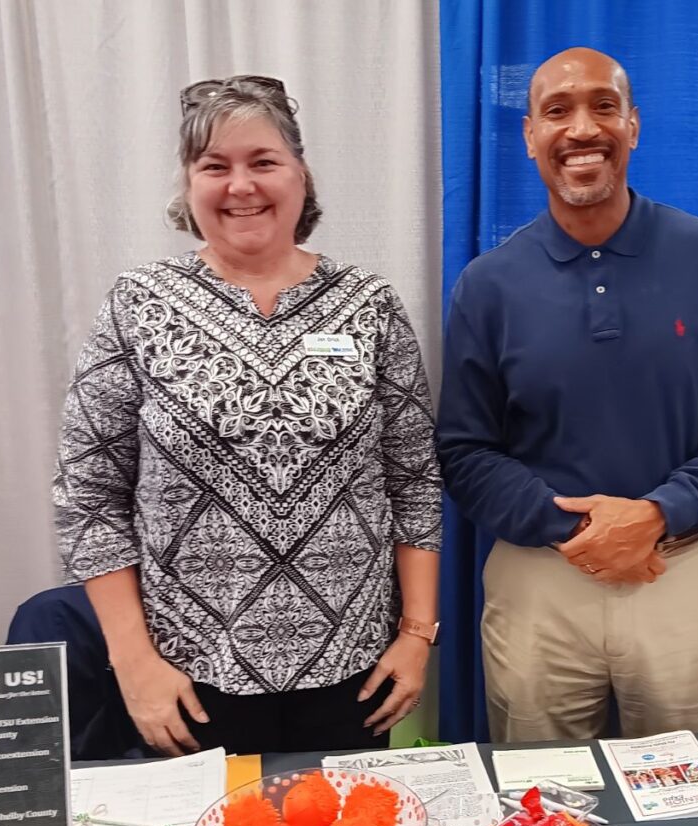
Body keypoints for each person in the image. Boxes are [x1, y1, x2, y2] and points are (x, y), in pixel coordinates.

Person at [54, 75, 441, 756]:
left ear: (301, 175)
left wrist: (415, 636)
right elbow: (88, 496)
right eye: (214, 166)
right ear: (187, 182)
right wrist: (133, 662)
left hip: (353, 677)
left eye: (263, 161)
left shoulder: (369, 304)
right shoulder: (138, 304)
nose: (241, 186)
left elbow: (414, 481)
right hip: (188, 682)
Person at [436, 48, 698, 742]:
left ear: (633, 125)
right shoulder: (488, 285)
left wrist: (657, 514)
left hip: (681, 573)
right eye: (557, 111)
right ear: (531, 136)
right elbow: (464, 448)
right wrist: (578, 530)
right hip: (541, 584)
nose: (582, 128)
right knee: (546, 812)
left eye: (603, 105)